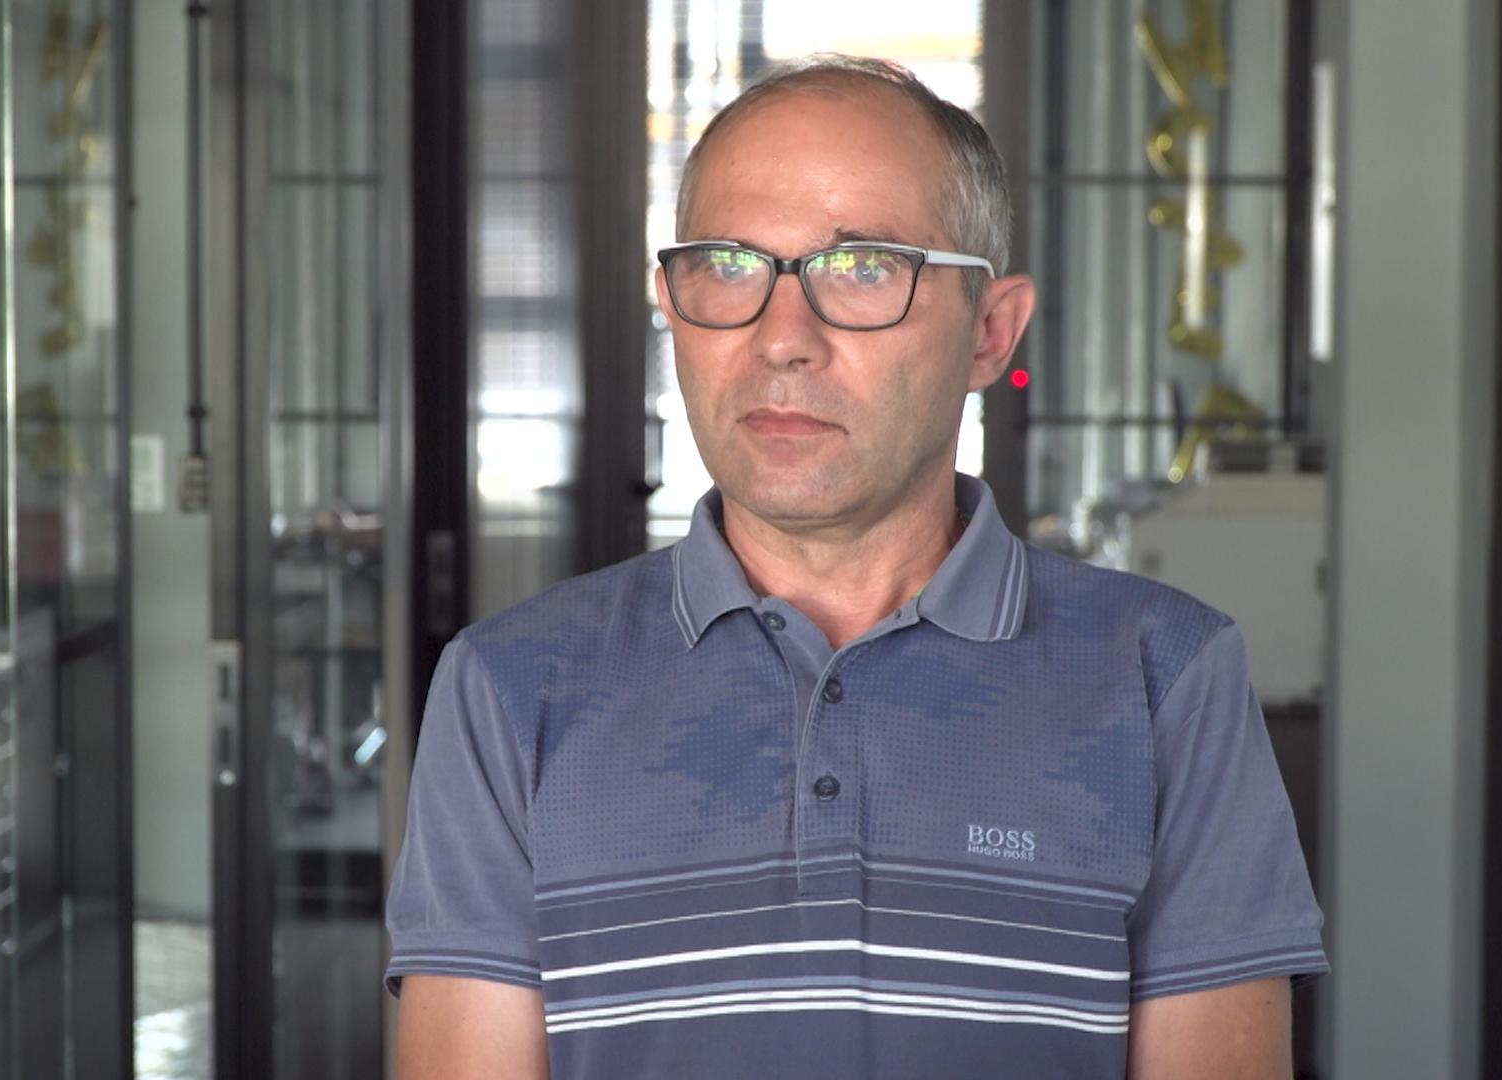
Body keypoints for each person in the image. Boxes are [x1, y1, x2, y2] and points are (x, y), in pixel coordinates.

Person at [385, 54, 1327, 1080]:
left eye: (866, 268)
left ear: (990, 333)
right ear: (670, 308)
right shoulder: (512, 687)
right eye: (729, 266)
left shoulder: (1165, 678)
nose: (782, 340)